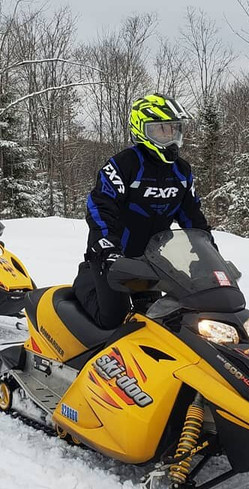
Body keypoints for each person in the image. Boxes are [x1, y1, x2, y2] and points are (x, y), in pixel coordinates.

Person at [73, 94, 213, 328]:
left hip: (151, 260)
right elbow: (100, 205)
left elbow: (193, 216)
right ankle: (85, 280)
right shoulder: (123, 165)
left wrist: (208, 253)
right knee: (112, 319)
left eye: (173, 130)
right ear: (142, 130)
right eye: (161, 130)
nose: (169, 137)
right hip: (113, 256)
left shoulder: (181, 172)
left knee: (159, 320)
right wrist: (107, 246)